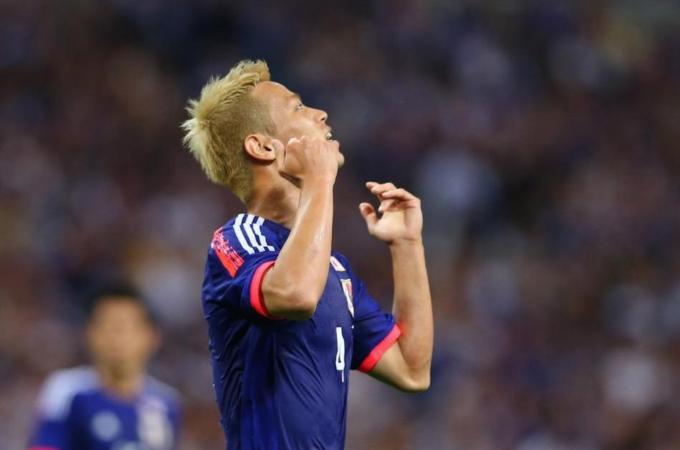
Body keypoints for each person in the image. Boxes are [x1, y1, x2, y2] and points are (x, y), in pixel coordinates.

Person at [182, 59, 433, 449]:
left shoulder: (333, 268)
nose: (320, 114)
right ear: (262, 147)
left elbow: (412, 369)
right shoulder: (238, 238)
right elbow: (295, 295)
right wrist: (319, 179)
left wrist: (407, 246)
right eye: (298, 107)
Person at [27, 284, 181, 450]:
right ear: (89, 333)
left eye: (126, 327)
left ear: (151, 337)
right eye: (107, 325)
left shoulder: (166, 402)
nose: (116, 337)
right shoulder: (66, 390)